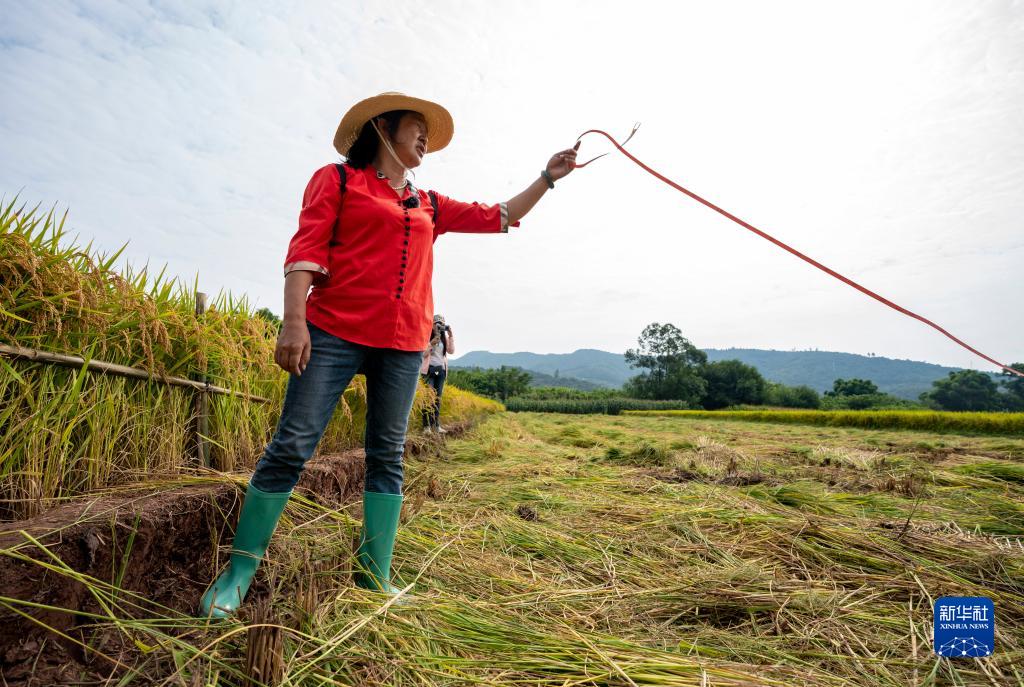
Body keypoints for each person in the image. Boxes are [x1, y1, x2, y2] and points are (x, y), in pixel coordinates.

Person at [199, 92, 577, 617]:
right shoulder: (337, 180)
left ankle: (374, 574)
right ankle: (239, 571)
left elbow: (502, 215)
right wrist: (293, 321)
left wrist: (548, 177)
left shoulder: (430, 204)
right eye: (415, 126)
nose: (424, 137)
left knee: (387, 455)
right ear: (382, 127)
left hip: (403, 343)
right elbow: (306, 250)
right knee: (293, 445)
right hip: (333, 330)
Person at [420, 314, 454, 433]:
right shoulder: (426, 337)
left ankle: (436, 425)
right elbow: (422, 354)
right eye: (437, 324)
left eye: (442, 324)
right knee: (428, 398)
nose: (439, 326)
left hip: (441, 371)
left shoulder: (444, 339)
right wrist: (431, 343)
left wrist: (450, 335)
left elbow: (451, 351)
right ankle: (426, 426)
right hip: (428, 370)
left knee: (437, 399)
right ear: (432, 325)